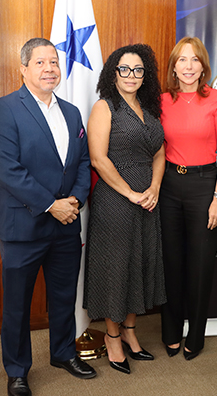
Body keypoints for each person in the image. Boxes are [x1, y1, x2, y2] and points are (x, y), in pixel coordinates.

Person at [0, 38, 95, 396]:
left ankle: (64, 353)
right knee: (17, 305)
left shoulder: (72, 112)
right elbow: (9, 171)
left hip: (66, 223)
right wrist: (53, 204)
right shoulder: (4, 109)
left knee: (64, 296)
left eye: (54, 62)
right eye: (40, 63)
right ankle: (17, 370)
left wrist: (76, 200)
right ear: (23, 69)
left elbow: (81, 162)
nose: (49, 69)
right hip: (23, 225)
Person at [83, 44, 167, 374]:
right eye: (124, 69)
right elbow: (98, 159)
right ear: (113, 73)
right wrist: (131, 194)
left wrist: (154, 189)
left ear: (146, 75)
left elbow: (159, 154)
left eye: (138, 70)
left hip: (148, 199)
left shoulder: (151, 109)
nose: (131, 76)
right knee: (116, 267)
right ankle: (112, 336)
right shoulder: (105, 107)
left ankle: (131, 332)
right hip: (116, 201)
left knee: (141, 263)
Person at [159, 37, 217, 361]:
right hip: (169, 187)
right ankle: (171, 332)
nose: (188, 67)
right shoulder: (160, 101)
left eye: (194, 60)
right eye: (182, 60)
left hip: (206, 185)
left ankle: (197, 335)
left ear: (203, 66)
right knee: (171, 265)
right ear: (174, 66)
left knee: (201, 267)